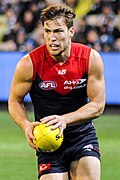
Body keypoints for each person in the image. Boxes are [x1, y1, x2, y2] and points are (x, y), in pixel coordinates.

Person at [8, 4, 106, 180]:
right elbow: (15, 100)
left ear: (71, 32)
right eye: (47, 31)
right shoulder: (28, 63)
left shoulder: (90, 58)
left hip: (81, 136)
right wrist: (26, 125)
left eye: (58, 31)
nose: (52, 38)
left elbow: (98, 105)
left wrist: (64, 120)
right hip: (47, 141)